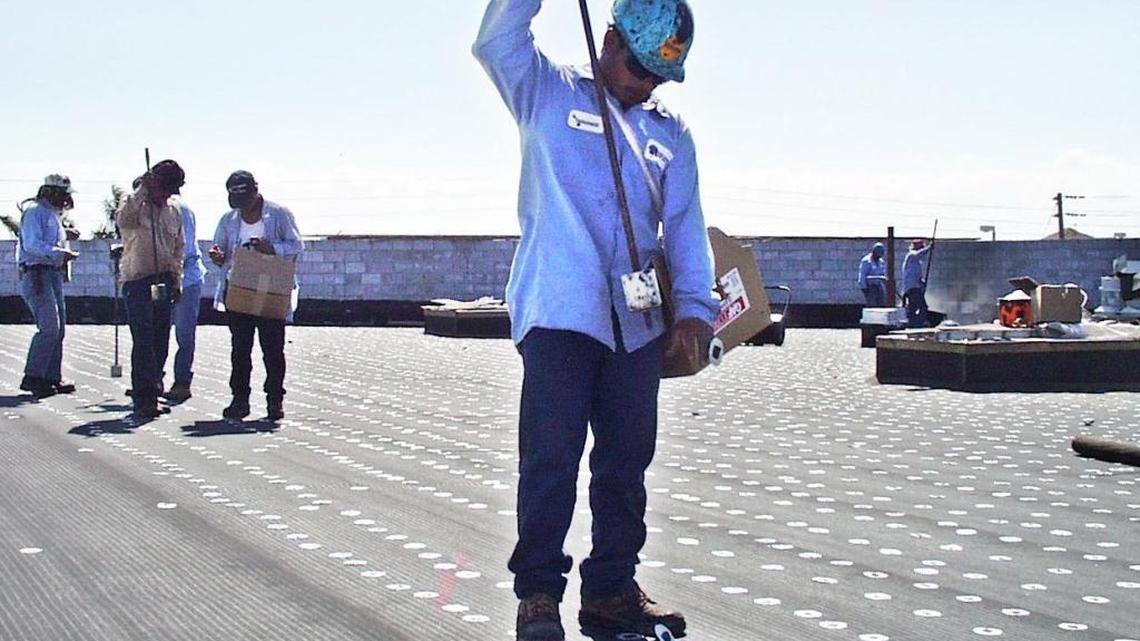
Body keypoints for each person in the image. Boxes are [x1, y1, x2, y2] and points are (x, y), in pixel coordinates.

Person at [474, 1, 717, 639]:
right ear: (608, 41)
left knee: (626, 462)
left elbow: (686, 226)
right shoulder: (545, 92)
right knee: (550, 459)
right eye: (638, 67)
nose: (646, 83)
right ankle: (538, 597)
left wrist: (694, 308)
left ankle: (610, 589)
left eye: (659, 76)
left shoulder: (671, 135)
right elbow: (496, 38)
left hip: (637, 326)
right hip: (558, 312)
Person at [208, 171, 303, 422]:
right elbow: (220, 251)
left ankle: (275, 401)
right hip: (239, 289)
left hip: (271, 290)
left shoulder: (278, 214)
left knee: (273, 349)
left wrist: (272, 248)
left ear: (255, 192)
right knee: (240, 350)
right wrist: (217, 256)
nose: (244, 208)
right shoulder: (228, 220)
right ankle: (240, 400)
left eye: (246, 200)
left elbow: (296, 246)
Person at [116, 160, 185, 419]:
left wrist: (176, 280)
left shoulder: (173, 211)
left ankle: (154, 390)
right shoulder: (134, 206)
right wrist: (142, 189)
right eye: (163, 187)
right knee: (143, 341)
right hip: (138, 280)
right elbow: (123, 219)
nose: (166, 194)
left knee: (160, 340)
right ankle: (143, 397)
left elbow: (179, 248)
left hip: (164, 281)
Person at [16, 174, 80, 399]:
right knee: (49, 327)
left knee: (59, 327)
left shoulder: (52, 214)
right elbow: (33, 244)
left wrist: (65, 237)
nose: (66, 200)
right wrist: (60, 253)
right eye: (62, 195)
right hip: (37, 273)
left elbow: (47, 239)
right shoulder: (35, 211)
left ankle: (51, 376)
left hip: (51, 273)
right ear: (51, 192)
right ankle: (33, 376)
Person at [163, 193, 207, 403]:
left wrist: (176, 280)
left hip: (186, 277)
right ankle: (153, 379)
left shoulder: (180, 210)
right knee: (156, 331)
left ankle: (182, 382)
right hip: (161, 276)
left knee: (184, 332)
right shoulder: (152, 210)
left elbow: (185, 250)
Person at [901, 238, 933, 327]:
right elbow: (919, 254)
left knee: (913, 307)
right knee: (922, 307)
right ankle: (917, 324)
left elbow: (915, 275)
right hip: (912, 288)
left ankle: (912, 323)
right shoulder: (911, 255)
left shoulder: (916, 263)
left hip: (914, 287)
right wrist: (929, 248)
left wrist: (921, 282)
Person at [857, 242, 888, 307]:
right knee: (872, 305)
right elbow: (862, 275)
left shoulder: (881, 261)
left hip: (879, 285)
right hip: (870, 286)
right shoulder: (866, 261)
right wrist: (864, 287)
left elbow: (882, 273)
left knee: (881, 303)